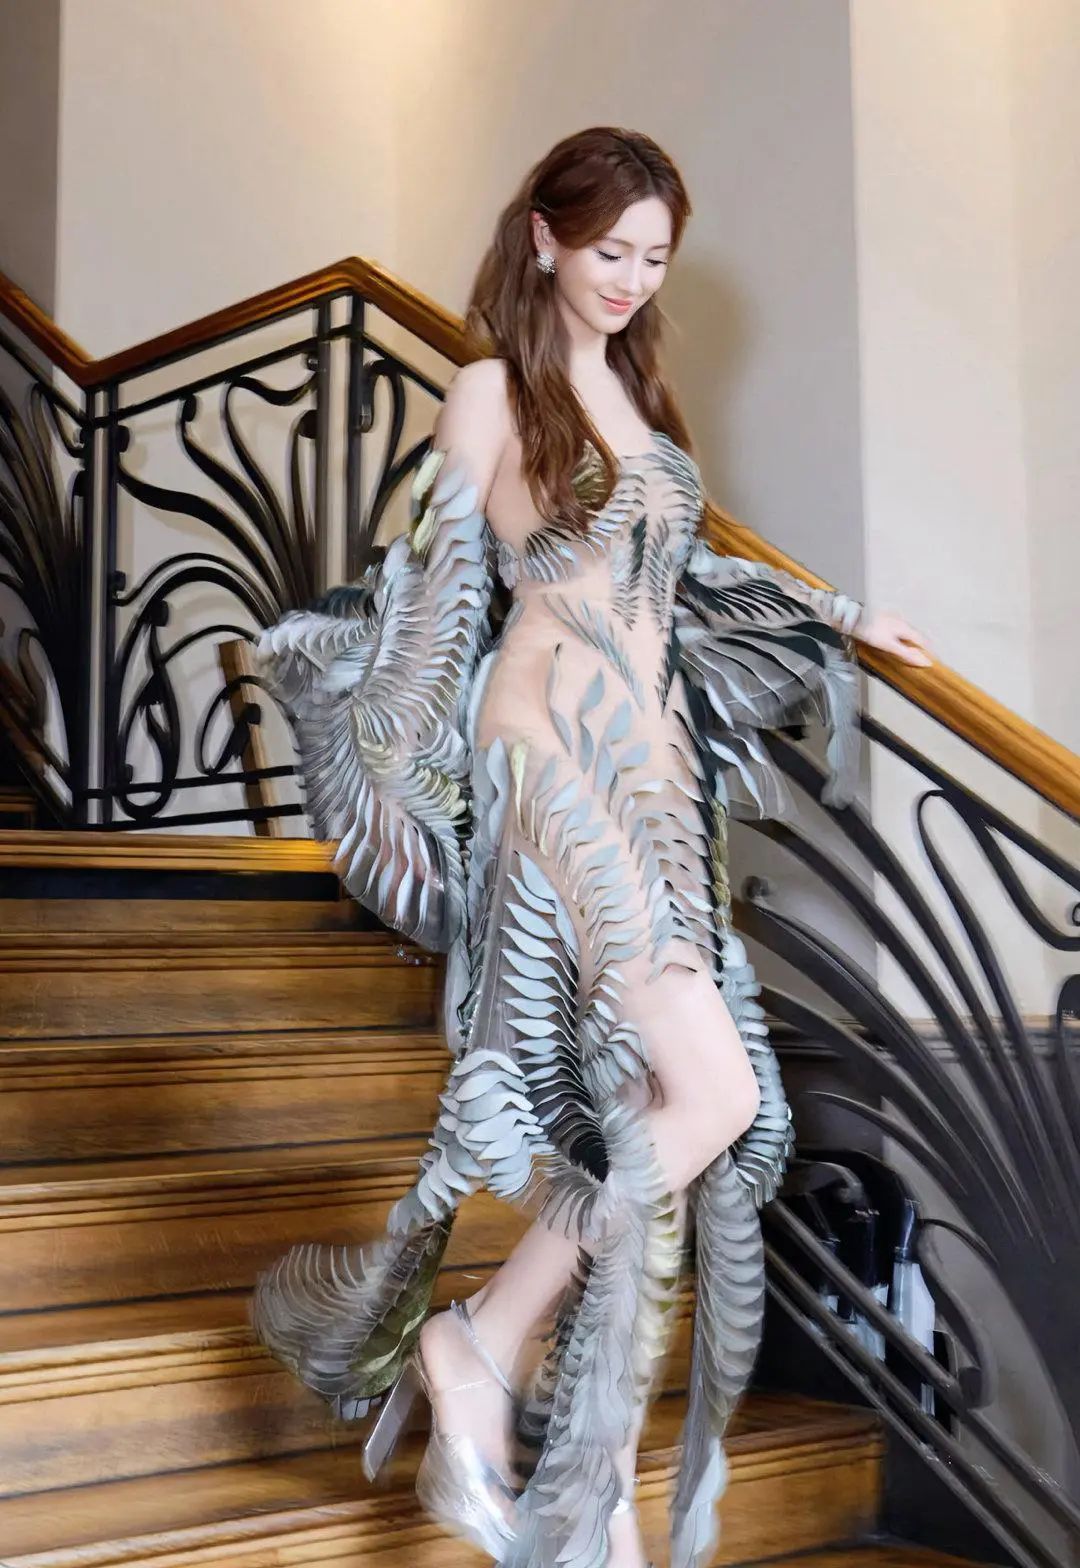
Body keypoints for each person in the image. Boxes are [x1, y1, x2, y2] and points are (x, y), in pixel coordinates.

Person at [249, 126, 931, 1568]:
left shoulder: (639, 393)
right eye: (608, 248)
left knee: (649, 1114)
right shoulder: (493, 388)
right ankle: (484, 1345)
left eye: (654, 256)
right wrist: (360, 712)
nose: (629, 278)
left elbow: (680, 576)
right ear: (545, 236)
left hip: (658, 791)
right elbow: (437, 587)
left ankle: (584, 1479)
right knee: (715, 1093)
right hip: (553, 767)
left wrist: (839, 616)